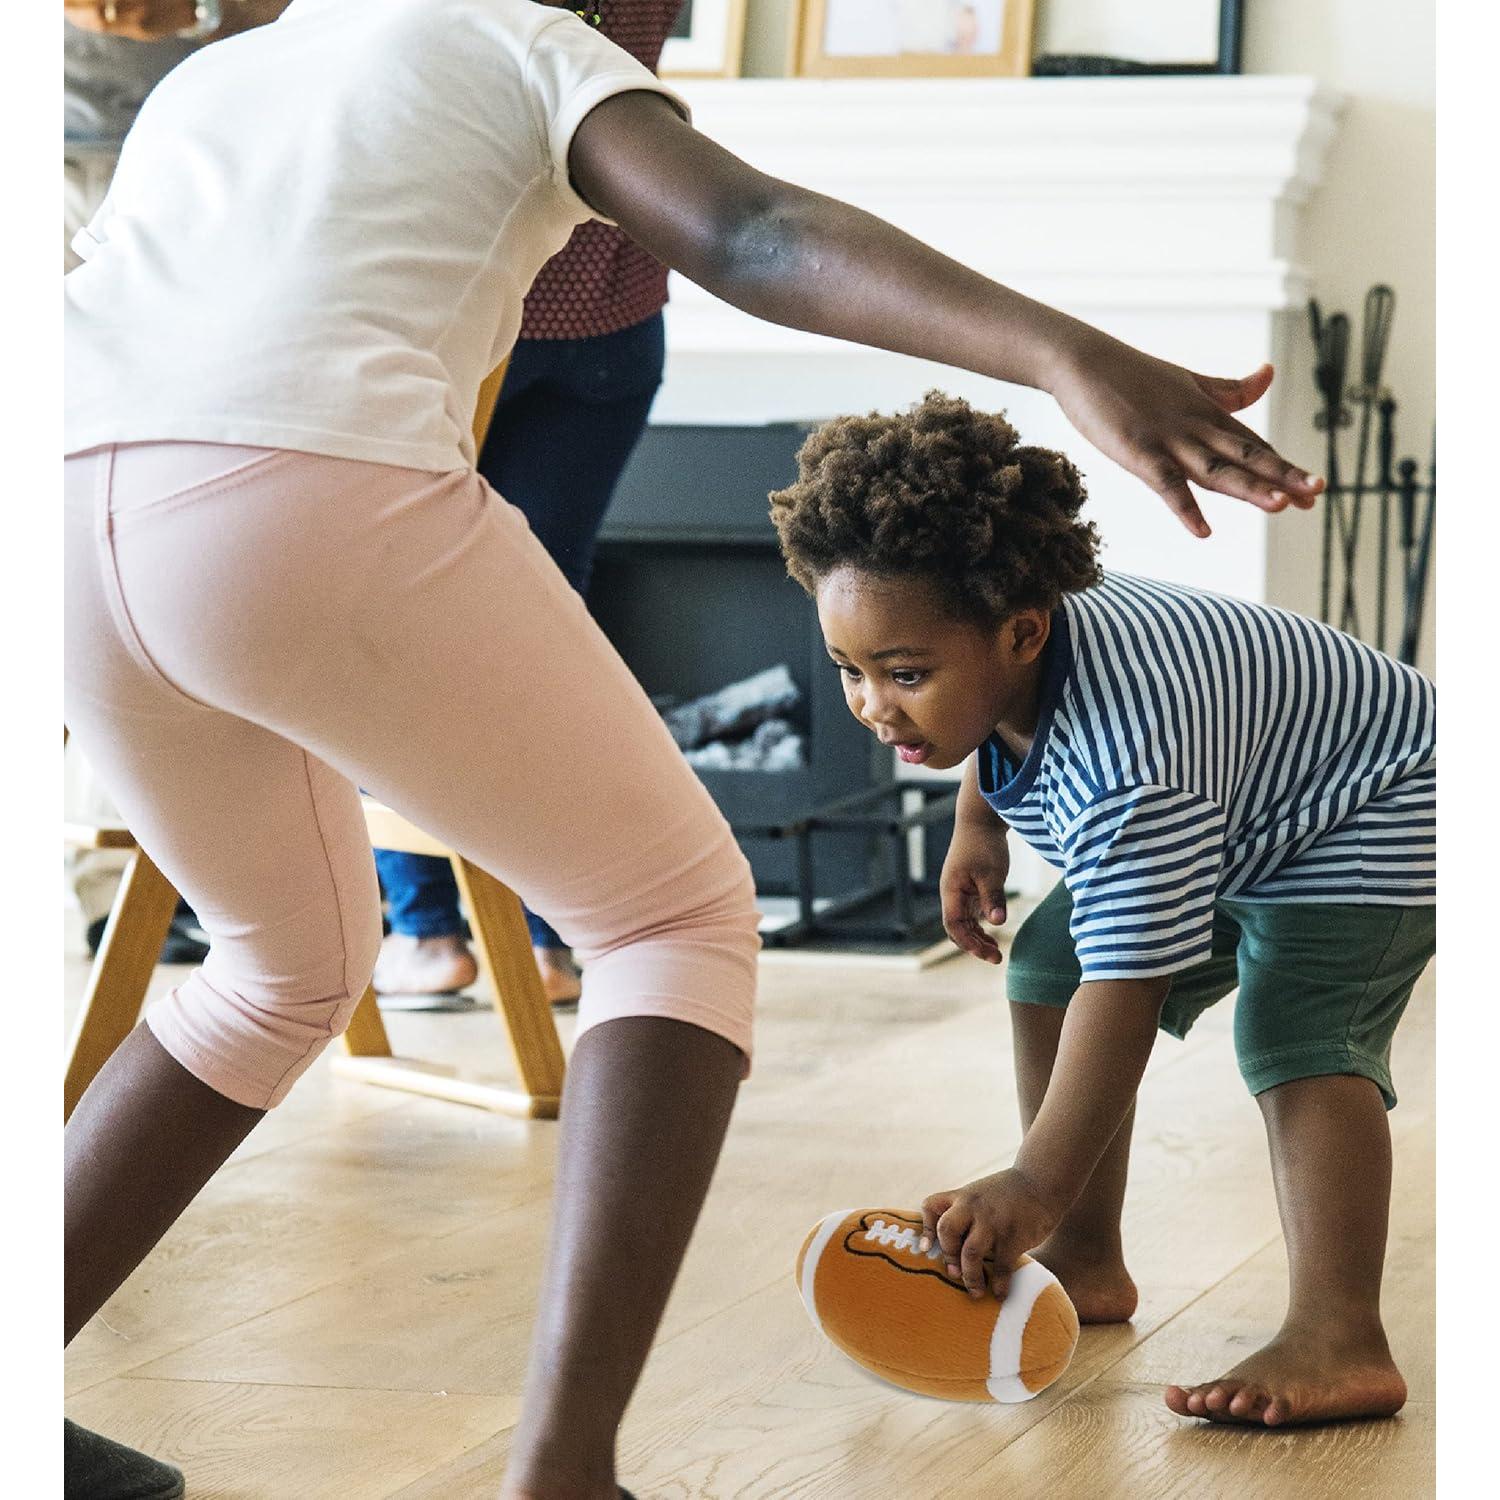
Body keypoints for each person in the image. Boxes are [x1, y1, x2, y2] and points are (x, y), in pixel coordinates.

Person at [63, 3, 1323, 1495]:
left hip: (66, 509)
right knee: (670, 918)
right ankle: (567, 1472)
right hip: (295, 482)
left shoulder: (230, 69)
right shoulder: (524, 37)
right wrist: (1060, 351)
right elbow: (753, 230)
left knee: (275, 972)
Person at [770, 391, 1433, 1429]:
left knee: (1299, 1032)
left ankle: (1340, 1333)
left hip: (1383, 794)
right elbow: (985, 710)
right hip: (1246, 793)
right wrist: (976, 825)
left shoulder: (1133, 772)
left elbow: (1130, 985)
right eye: (851, 670)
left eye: (903, 675)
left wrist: (1033, 1178)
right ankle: (1084, 1256)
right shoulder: (1009, 625)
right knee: (1047, 962)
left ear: (1024, 629)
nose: (872, 704)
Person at [372, 0, 687, 1009]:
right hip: (615, 307)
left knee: (399, 610)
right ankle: (554, 938)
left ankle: (427, 932)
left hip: (475, 300)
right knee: (547, 621)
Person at [63, 2, 292, 973]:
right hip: (86, 163)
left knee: (137, 523)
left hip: (210, 166)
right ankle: (128, 887)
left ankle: (141, 890)